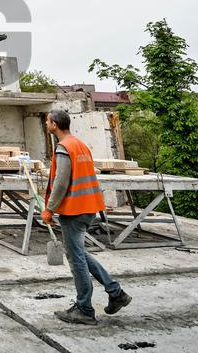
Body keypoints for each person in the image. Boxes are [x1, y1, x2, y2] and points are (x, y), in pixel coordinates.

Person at [42, 108, 131, 324]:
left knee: (76, 260)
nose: (46, 124)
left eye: (47, 121)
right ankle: (115, 292)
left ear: (54, 124)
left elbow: (62, 182)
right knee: (79, 252)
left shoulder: (64, 147)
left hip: (74, 209)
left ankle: (84, 308)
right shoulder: (79, 144)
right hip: (89, 206)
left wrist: (49, 209)